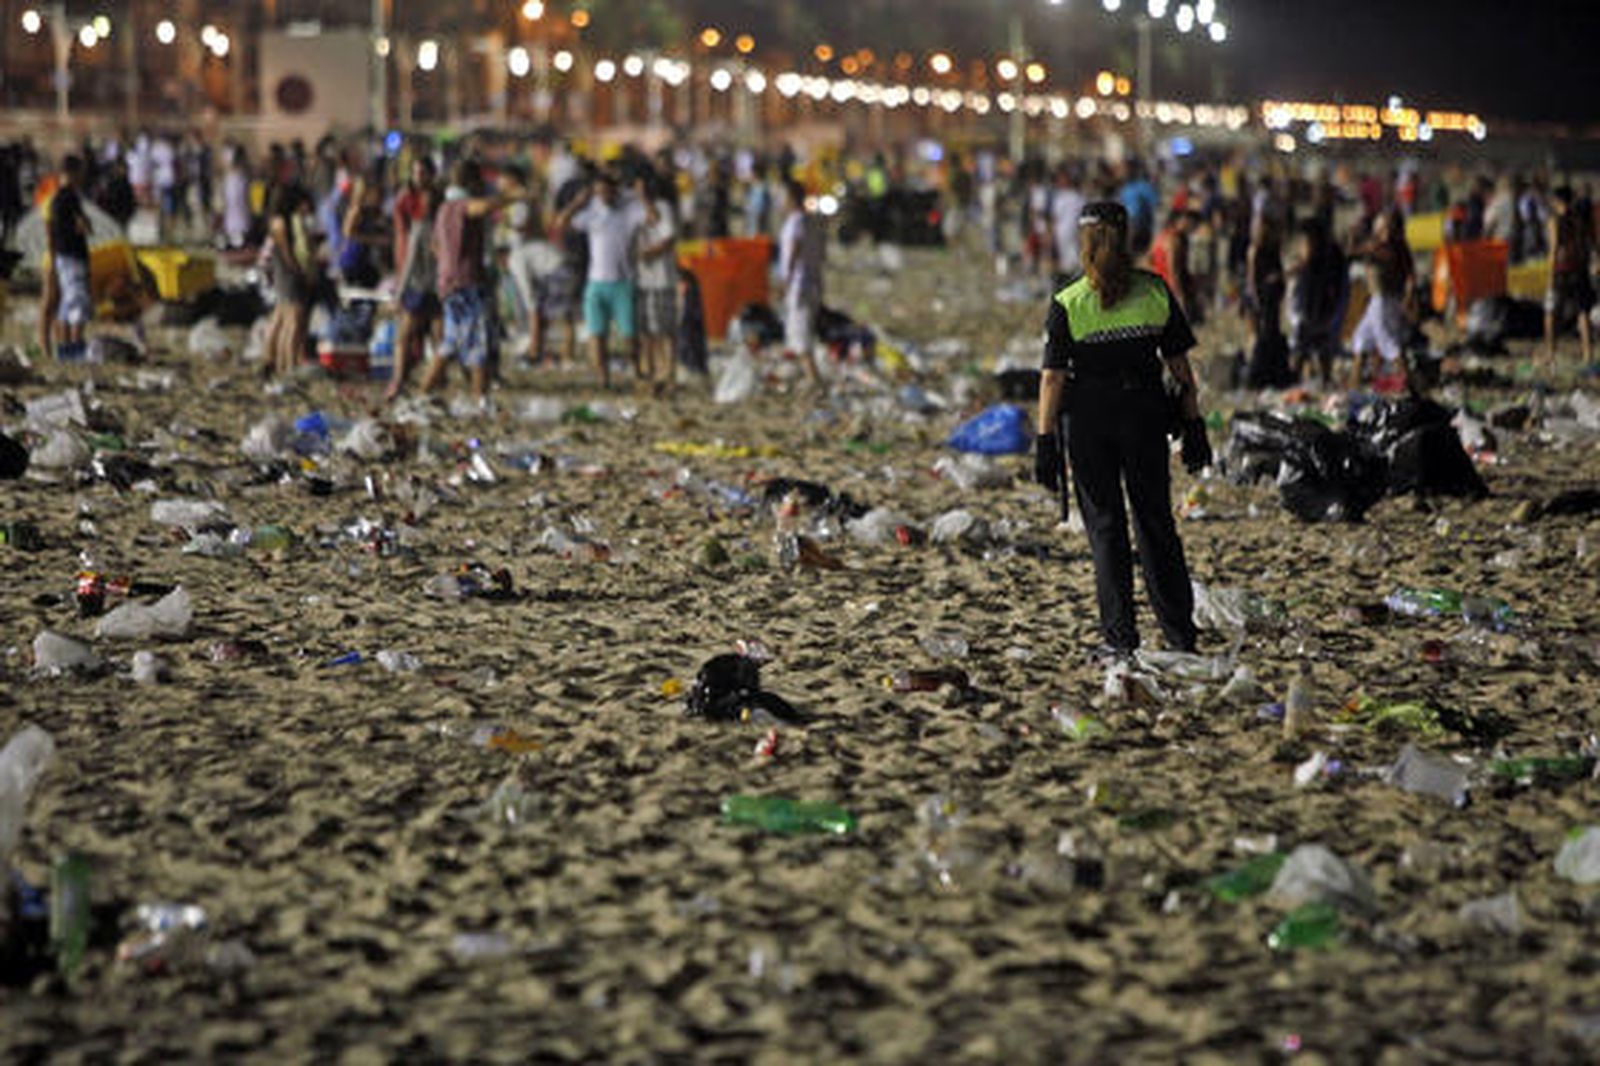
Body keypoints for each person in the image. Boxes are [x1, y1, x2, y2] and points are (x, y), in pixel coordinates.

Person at [1034, 201, 1210, 659]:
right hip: (1145, 416)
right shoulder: (1154, 290)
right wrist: (1194, 424)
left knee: (1105, 528)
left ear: (1084, 242)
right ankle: (1179, 633)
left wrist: (1045, 440)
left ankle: (1120, 639)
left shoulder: (1069, 301)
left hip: (1089, 422)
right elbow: (1181, 370)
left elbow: (1052, 379)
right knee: (1155, 523)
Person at [418, 159, 521, 404]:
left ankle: (423, 393)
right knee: (477, 344)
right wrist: (513, 196)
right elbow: (481, 208)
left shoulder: (443, 208)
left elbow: (435, 245)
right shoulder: (460, 205)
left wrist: (449, 261)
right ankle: (479, 399)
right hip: (466, 283)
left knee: (450, 343)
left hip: (448, 282)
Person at [554, 170, 647, 389]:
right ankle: (604, 379)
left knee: (630, 336)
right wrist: (578, 202)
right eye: (599, 192)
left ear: (615, 191)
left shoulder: (628, 210)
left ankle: (637, 370)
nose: (603, 196)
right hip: (596, 282)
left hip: (623, 282)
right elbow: (560, 222)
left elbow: (651, 218)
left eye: (606, 191)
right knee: (597, 334)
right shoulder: (592, 211)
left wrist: (641, 195)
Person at [1349, 207, 1415, 392]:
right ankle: (1353, 386)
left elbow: (1355, 252)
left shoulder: (1386, 248)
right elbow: (1410, 277)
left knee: (1388, 343)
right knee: (1360, 339)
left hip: (1383, 301)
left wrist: (1354, 237)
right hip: (1380, 301)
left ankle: (1410, 383)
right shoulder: (1398, 248)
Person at [386, 184, 441, 401]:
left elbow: (409, 264)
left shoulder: (419, 228)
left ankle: (398, 381)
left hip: (418, 287)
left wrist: (399, 294)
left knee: (403, 338)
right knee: (438, 339)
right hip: (437, 288)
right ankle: (435, 380)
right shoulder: (443, 226)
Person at [503, 199, 563, 370]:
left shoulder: (516, 261)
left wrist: (534, 346)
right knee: (538, 312)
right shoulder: (520, 251)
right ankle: (537, 349)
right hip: (554, 267)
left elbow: (531, 301)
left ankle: (536, 352)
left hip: (558, 272)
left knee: (538, 310)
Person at [634, 174, 680, 394]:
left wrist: (647, 253)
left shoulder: (663, 207)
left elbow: (668, 239)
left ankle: (668, 373)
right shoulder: (632, 209)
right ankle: (651, 374)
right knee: (646, 331)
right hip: (641, 280)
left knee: (665, 330)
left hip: (661, 279)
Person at [1288, 218, 1348, 385]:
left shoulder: (1321, 260)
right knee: (1320, 346)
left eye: (1304, 242)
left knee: (1303, 348)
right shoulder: (1333, 253)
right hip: (1324, 310)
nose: (1301, 246)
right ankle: (1324, 379)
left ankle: (1295, 379)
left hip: (1314, 309)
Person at [264, 184, 314, 377]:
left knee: (282, 317)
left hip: (281, 273)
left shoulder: (277, 221)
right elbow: (287, 253)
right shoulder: (281, 223)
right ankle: (287, 364)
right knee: (292, 321)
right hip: (287, 273)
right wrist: (299, 272)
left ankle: (275, 362)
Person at [777, 179, 823, 385]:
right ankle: (806, 377)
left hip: (799, 285)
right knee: (799, 333)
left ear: (791, 198)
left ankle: (814, 380)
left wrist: (785, 282)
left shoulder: (796, 222)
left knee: (800, 336)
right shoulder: (811, 221)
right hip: (811, 282)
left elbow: (794, 252)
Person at [47, 155, 93, 362]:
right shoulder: (70, 197)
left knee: (66, 304)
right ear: (73, 173)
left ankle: (65, 349)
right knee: (77, 302)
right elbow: (83, 226)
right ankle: (75, 348)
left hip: (63, 256)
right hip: (73, 255)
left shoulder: (56, 198)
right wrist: (84, 226)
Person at [1546, 186, 1595, 364]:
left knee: (1552, 311)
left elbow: (1554, 248)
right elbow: (1591, 242)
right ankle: (1588, 353)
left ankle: (1551, 352)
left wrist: (1549, 275)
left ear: (1557, 201)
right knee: (1583, 311)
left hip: (1561, 269)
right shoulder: (1580, 219)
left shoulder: (1555, 221)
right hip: (1579, 268)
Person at [1050, 166, 1087, 288]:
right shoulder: (1059, 198)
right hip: (1061, 234)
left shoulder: (1078, 198)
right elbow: (1055, 218)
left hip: (1074, 234)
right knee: (1064, 263)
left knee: (1075, 262)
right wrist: (1051, 235)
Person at [221, 146, 252, 249]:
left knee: (239, 211)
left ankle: (239, 238)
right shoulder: (234, 174)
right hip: (234, 194)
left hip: (237, 196)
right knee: (235, 211)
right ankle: (236, 239)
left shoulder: (240, 173)